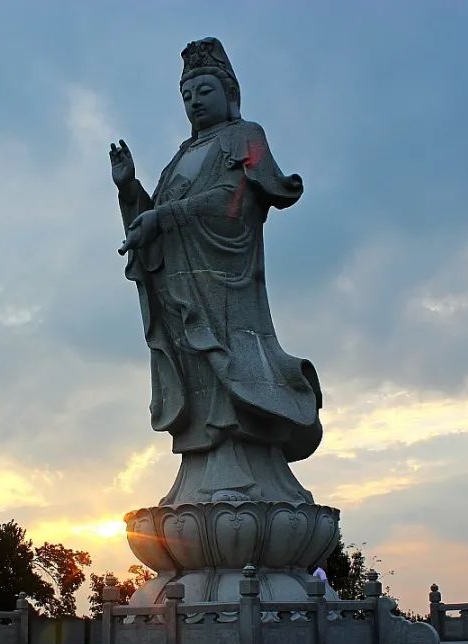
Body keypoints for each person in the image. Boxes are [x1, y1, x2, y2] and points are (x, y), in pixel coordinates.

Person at [110, 38, 323, 505]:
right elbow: (157, 221)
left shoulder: (243, 136)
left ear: (229, 93)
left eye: (203, 90)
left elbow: (234, 203)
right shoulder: (180, 157)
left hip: (225, 286)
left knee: (230, 361)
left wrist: (166, 217)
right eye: (186, 95)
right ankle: (206, 464)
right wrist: (131, 190)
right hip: (181, 287)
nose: (193, 101)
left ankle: (242, 472)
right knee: (194, 366)